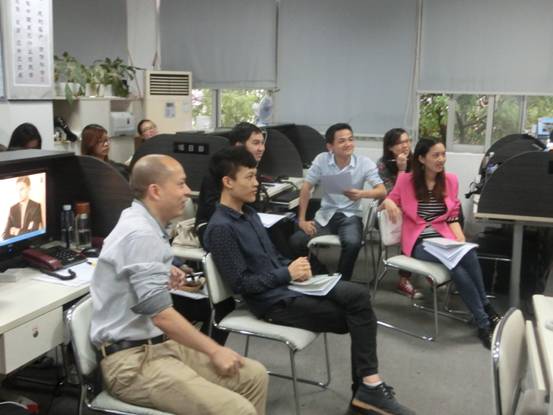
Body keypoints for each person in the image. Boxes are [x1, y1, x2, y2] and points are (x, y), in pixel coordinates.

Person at [204, 147, 415, 415]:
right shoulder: (221, 228)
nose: (256, 183)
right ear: (228, 182)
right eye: (249, 177)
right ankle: (366, 392)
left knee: (359, 297)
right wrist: (287, 273)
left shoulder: (250, 214)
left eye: (255, 176)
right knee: (355, 317)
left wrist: (298, 270)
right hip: (272, 302)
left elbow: (272, 257)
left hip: (288, 286)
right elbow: (242, 285)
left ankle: (367, 390)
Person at [89, 154, 268, 415]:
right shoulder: (140, 233)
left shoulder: (145, 222)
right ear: (155, 191)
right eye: (181, 184)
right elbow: (161, 315)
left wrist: (164, 269)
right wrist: (214, 350)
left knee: (254, 376)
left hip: (157, 345)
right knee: (237, 410)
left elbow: (133, 269)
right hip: (131, 363)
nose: (187, 191)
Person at [380, 138, 501, 349]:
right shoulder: (406, 180)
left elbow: (452, 216)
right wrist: (389, 201)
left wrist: (460, 239)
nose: (441, 159)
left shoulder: (450, 180)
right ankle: (485, 317)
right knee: (456, 264)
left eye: (443, 154)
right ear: (421, 159)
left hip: (443, 239)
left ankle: (483, 317)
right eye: (435, 155)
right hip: (419, 242)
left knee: (466, 257)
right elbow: (389, 199)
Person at [289, 123, 386, 281]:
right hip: (325, 216)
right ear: (330, 146)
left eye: (350, 139)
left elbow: (382, 191)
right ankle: (320, 271)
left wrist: (361, 194)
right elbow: (306, 188)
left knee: (352, 243)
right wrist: (301, 220)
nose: (348, 144)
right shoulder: (322, 160)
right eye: (341, 141)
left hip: (351, 216)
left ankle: (340, 281)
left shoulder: (364, 163)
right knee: (296, 241)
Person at [195, 121, 266, 244]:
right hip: (214, 225)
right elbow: (212, 210)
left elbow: (254, 206)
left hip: (241, 220)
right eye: (256, 143)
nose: (261, 148)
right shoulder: (220, 169)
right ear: (239, 146)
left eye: (262, 143)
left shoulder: (253, 170)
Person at [377, 128, 421, 299]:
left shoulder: (417, 161)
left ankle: (430, 269)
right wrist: (401, 170)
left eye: (407, 141)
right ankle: (404, 280)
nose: (405, 145)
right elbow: (392, 196)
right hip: (390, 213)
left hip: (413, 210)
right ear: (390, 147)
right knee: (411, 228)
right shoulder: (382, 165)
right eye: (400, 143)